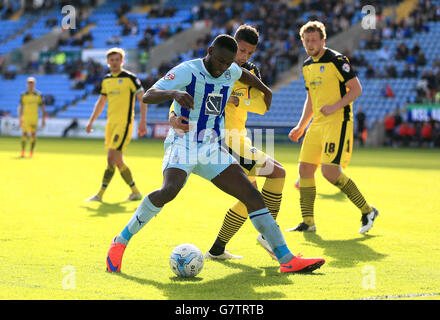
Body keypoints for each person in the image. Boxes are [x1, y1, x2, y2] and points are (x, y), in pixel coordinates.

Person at [105, 34, 325, 274]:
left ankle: (286, 259)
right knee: (170, 190)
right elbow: (148, 95)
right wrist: (174, 94)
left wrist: (265, 89)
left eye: (227, 63)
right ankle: (121, 241)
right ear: (209, 50)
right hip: (183, 142)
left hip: (210, 148)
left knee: (251, 195)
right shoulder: (187, 70)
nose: (222, 68)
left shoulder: (231, 70)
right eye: (219, 61)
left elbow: (245, 75)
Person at [168, 25, 286, 261]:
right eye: (241, 51)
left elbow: (262, 105)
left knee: (248, 196)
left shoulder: (250, 72)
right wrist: (172, 116)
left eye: (249, 54)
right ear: (232, 44)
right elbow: (187, 94)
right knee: (277, 173)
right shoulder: (213, 65)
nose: (243, 58)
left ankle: (217, 250)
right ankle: (269, 234)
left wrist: (236, 100)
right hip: (224, 140)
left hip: (240, 138)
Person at [287, 21, 378, 234]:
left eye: (314, 40)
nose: (310, 44)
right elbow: (310, 99)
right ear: (303, 42)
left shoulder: (337, 60)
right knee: (305, 169)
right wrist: (301, 126)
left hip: (338, 121)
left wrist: (336, 106)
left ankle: (368, 210)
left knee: (329, 172)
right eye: (306, 40)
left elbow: (356, 89)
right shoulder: (307, 65)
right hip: (317, 124)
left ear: (323, 40)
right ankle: (308, 222)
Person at [85, 48, 147, 202]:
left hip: (124, 124)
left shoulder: (130, 78)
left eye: (117, 59)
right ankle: (135, 192)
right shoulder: (106, 80)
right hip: (110, 124)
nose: (114, 62)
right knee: (117, 161)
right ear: (107, 62)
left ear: (122, 61)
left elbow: (143, 99)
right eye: (111, 60)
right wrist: (91, 120)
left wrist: (143, 122)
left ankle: (100, 194)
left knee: (111, 157)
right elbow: (101, 102)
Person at [18, 77, 46, 158]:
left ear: (34, 84)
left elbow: (42, 107)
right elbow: (21, 107)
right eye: (29, 83)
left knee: (33, 135)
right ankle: (23, 152)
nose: (30, 85)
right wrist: (20, 118)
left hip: (34, 118)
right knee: (24, 134)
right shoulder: (23, 95)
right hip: (25, 117)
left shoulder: (38, 95)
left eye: (32, 83)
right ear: (27, 84)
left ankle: (31, 152)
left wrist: (43, 119)